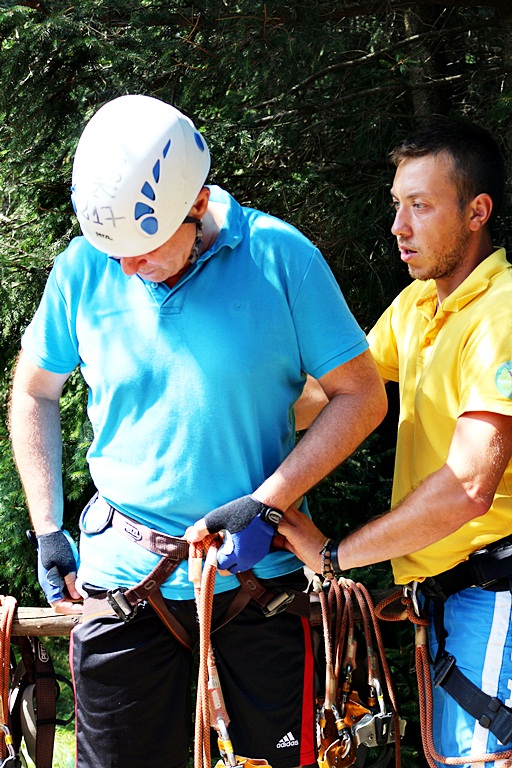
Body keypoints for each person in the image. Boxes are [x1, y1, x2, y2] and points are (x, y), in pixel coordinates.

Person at [9, 94, 387, 768]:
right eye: (113, 251)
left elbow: (361, 396)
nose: (126, 268)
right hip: (125, 578)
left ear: (198, 203)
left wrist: (266, 501)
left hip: (257, 576)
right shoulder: (83, 267)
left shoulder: (280, 258)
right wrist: (46, 527)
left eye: (144, 249)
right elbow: (35, 390)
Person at [278, 118, 512, 763]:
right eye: (396, 205)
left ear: (477, 212)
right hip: (454, 599)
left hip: (496, 597)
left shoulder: (502, 315)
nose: (398, 227)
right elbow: (333, 397)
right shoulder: (416, 307)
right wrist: (227, 414)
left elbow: (468, 487)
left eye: (420, 206)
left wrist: (335, 556)